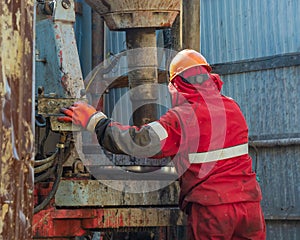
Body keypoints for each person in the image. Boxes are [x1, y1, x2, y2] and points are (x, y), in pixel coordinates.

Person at [58, 49, 266, 239]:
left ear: (177, 85)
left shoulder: (182, 118)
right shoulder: (232, 107)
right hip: (250, 206)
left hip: (213, 210)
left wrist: (94, 121)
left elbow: (139, 142)